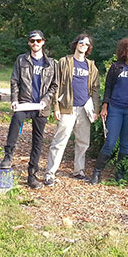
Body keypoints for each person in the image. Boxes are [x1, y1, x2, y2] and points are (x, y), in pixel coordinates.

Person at [89, 36, 128, 184]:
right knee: (110, 142)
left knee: (125, 143)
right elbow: (109, 88)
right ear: (125, 51)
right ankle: (97, 172)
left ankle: (120, 173)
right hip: (116, 109)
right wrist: (105, 106)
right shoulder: (116, 67)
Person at [1, 30, 58, 189]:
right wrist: (14, 99)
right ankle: (8, 156)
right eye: (32, 41)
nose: (35, 43)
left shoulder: (51, 63)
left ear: (43, 42)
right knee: (15, 123)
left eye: (38, 41)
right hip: (24, 102)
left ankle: (32, 174)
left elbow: (54, 86)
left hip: (41, 107)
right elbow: (14, 81)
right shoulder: (21, 60)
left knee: (37, 141)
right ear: (28, 43)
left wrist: (46, 100)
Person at [44, 34, 100, 186]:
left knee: (83, 142)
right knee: (59, 141)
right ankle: (50, 173)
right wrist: (56, 106)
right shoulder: (64, 62)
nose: (83, 45)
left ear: (89, 48)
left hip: (84, 109)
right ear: (76, 44)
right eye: (81, 42)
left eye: (87, 44)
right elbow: (56, 85)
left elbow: (95, 89)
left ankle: (79, 171)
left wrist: (95, 110)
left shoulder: (91, 66)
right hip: (66, 108)